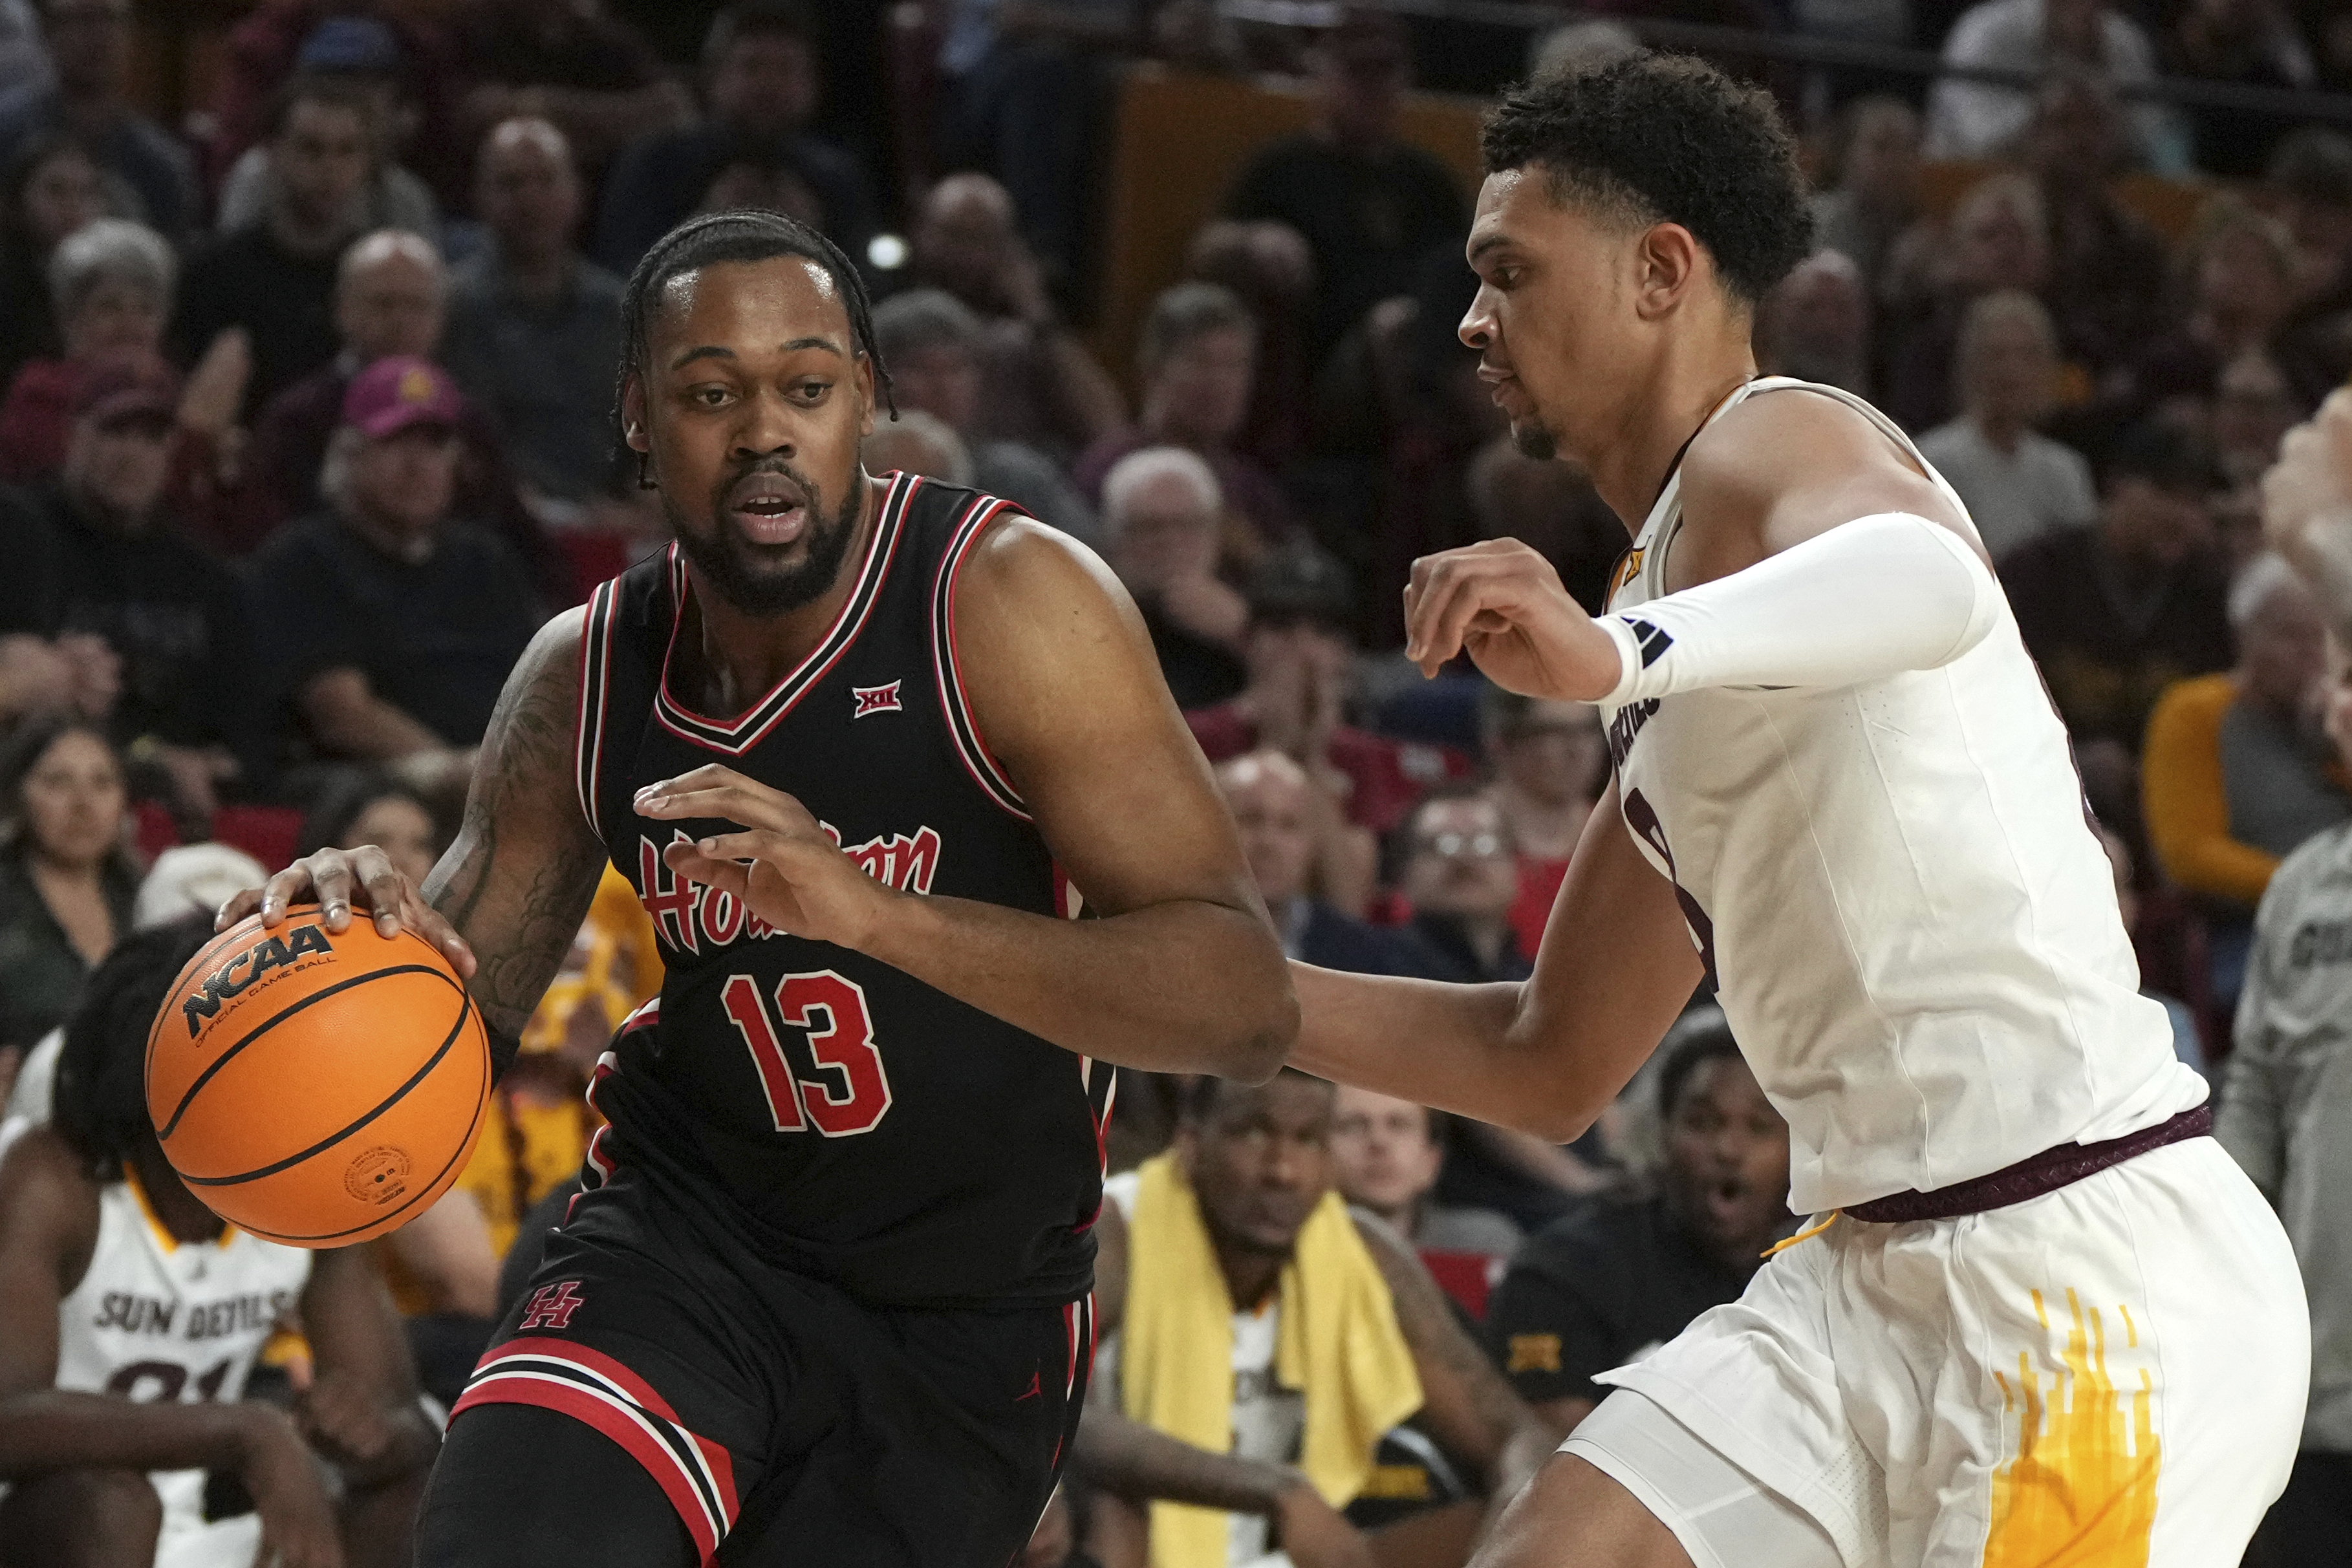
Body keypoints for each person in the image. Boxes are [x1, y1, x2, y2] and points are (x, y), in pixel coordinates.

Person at [1285, 54, 2305, 1568]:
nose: (1470, 319)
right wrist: (1215, 993)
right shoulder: (1674, 610)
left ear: (1658, 271)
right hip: (1860, 1277)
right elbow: (1546, 1056)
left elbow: (1934, 581)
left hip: (2079, 1271)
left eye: (1506, 273)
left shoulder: (1779, 442)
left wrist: (1605, 650)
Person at [224, 209, 1298, 1567]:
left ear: (870, 399)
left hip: (960, 1316)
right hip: (682, 1243)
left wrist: (869, 913)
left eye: (806, 386)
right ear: (635, 417)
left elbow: (1241, 1003)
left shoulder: (1009, 605)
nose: (763, 433)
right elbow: (449, 1021)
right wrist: (338, 959)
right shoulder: (586, 675)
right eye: (709, 393)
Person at [0, 917, 438, 1568]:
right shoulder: (54, 1180)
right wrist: (245, 1431)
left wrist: (370, 1430)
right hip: (50, 1521)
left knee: (420, 1497)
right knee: (113, 1503)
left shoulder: (309, 1197)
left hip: (184, 1528)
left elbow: (410, 1424)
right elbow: (6, 1418)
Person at [1076, 1071, 1554, 1567]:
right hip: (1122, 1549)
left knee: (1504, 1514)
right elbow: (1064, 1423)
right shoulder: (1115, 1231)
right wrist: (1275, 1489)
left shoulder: (1360, 1256)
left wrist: (1521, 1521)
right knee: (1115, 1504)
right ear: (1191, 1144)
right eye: (1254, 1132)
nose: (1282, 1169)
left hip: (1265, 1549)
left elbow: (1514, 1435)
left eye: (1307, 1139)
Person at [244, 354, 541, 797]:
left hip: (493, 778)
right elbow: (344, 715)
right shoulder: (304, 558)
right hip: (373, 785)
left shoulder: (486, 560)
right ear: (350, 453)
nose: (417, 465)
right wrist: (462, 773)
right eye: (396, 442)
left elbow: (544, 692)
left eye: (434, 445)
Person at [1483, 1015, 1790, 1437]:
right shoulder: (1564, 1272)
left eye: (1759, 1127)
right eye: (1702, 1122)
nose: (1727, 1149)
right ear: (1662, 1133)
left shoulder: (1827, 1272)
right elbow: (1555, 1462)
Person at [2218, 622, 2352, 1567]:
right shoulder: (2302, 887)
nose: (2334, 699)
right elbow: (2256, 1091)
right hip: (2315, 1376)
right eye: (2338, 676)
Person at [0, 354, 266, 815]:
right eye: (114, 432)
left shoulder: (207, 576)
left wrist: (220, 765)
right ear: (73, 434)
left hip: (191, 802)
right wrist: (144, 757)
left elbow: (245, 725)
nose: (132, 453)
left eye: (152, 437)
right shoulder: (22, 537)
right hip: (52, 783)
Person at [2143, 553, 2346, 1009]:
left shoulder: (2340, 714)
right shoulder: (2194, 712)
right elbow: (2187, 856)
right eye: (2291, 636)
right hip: (2251, 931)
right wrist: (2313, 890)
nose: (2311, 655)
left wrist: (2332, 742)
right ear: (2243, 635)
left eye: (2324, 638)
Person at [1224, 10, 1466, 359]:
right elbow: (1207, 249)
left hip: (1428, 346)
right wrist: (1251, 241)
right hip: (1324, 355)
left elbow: (1467, 269)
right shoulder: (1284, 166)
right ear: (1323, 75)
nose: (1375, 90)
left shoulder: (1429, 179)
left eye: (1387, 74)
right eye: (1358, 73)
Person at [592, 0, 876, 276]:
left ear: (813, 86)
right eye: (753, 67)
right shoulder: (657, 161)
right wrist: (702, 229)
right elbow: (617, 274)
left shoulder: (835, 175)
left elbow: (872, 288)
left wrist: (817, 247)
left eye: (785, 69)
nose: (769, 85)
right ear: (713, 78)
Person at [2000, 422, 2237, 751]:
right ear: (2117, 487)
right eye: (2168, 493)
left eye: (2196, 502)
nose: (2183, 516)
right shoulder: (2039, 572)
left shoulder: (2206, 590)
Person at [442, 119, 629, 513]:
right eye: (511, 184)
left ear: (578, 194)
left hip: (612, 517)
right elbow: (465, 445)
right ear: (480, 198)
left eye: (546, 181)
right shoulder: (453, 308)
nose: (530, 200)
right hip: (501, 519)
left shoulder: (619, 309)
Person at [176, 76, 374, 418]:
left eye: (347, 150)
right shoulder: (213, 273)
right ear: (271, 152)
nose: (331, 169)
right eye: (311, 148)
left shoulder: (380, 279)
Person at [0, 217, 248, 489]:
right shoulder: (39, 397)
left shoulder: (175, 394)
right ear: (69, 319)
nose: (131, 325)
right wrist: (194, 439)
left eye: (146, 310)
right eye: (109, 307)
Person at [909, 170, 1126, 459]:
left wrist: (1037, 313)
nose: (966, 256)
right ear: (923, 235)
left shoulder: (1027, 339)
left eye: (982, 238)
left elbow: (1108, 426)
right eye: (954, 236)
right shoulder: (889, 318)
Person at [1074, 281, 1295, 548]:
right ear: (1154, 372)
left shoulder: (1251, 490)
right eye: (1202, 362)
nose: (1220, 382)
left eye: (1235, 365)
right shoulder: (1108, 470)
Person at [869, 286, 1097, 542]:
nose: (942, 386)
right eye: (920, 368)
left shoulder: (1015, 478)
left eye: (957, 367)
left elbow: (1082, 554)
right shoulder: (851, 469)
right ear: (875, 379)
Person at [1916, 290, 2097, 561]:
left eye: (2027, 356)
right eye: (1997, 355)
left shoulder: (2064, 471)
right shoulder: (1933, 461)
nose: (2012, 372)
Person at [0, 713, 131, 1070]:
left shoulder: (147, 900)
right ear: (18, 794)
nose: (83, 804)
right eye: (59, 782)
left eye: (102, 783)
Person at [0, 0, 193, 238]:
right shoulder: (7, 133)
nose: (99, 35)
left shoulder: (161, 163)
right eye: (83, 20)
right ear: (48, 31)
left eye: (111, 19)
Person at [1925, 0, 2181, 170]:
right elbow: (1976, 140)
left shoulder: (2124, 41)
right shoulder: (1985, 31)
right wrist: (2054, 103)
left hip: (2091, 190)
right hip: (1972, 179)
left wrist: (2100, 108)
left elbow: (2156, 146)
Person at [1097, 447, 1247, 710]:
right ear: (1115, 539)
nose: (1170, 542)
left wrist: (1243, 636)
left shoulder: (1255, 612)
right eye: (1150, 527)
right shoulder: (1086, 615)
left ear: (1215, 535)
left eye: (1187, 525)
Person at [1479, 691, 1607, 964]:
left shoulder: (1621, 831)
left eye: (1589, 732)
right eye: (1556, 733)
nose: (1578, 750)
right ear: (1503, 742)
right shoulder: (1464, 827)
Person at [1328, 1086, 1522, 1262]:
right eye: (1353, 1125)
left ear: (1432, 1160)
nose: (1379, 1142)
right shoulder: (1301, 1246)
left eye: (1399, 1125)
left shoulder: (1485, 1245)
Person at [0, 131, 110, 386]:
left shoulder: (113, 273)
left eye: (87, 192)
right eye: (56, 191)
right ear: (19, 201)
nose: (73, 205)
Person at [1399, 788, 1531, 985]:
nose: (1465, 859)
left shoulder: (1543, 984)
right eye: (1443, 845)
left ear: (1517, 868)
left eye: (1485, 844)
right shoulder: (1368, 969)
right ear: (1405, 871)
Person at [1806, 97, 1918, 299]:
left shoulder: (1918, 231)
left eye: (1908, 148)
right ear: (1844, 154)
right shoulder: (1815, 224)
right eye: (1881, 147)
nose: (1895, 161)